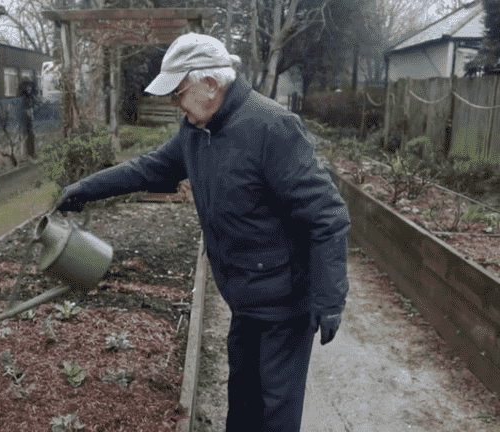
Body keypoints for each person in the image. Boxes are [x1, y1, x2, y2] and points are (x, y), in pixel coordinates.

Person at [56, 32, 350, 432]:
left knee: (276, 409)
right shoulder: (197, 130)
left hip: (284, 298)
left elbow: (327, 214)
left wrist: (330, 298)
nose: (175, 104)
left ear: (211, 84)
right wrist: (84, 189)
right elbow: (149, 168)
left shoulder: (272, 127)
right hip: (242, 292)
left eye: (178, 93)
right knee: (243, 398)